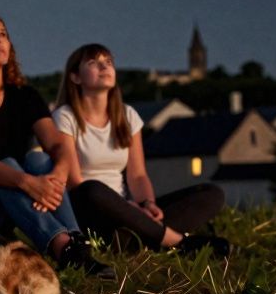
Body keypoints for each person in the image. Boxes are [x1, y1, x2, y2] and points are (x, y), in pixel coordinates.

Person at [0, 14, 113, 278]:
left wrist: (57, 176)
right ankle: (62, 246)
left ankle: (76, 244)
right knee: (6, 166)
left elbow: (57, 145)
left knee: (40, 161)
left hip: (13, 205)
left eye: (3, 34)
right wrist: (27, 183)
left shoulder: (25, 96)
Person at [54, 44, 229, 256]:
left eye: (108, 62)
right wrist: (128, 209)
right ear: (75, 77)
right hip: (90, 210)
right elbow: (74, 182)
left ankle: (137, 239)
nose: (104, 67)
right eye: (94, 63)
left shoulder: (127, 116)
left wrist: (147, 204)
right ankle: (178, 241)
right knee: (92, 188)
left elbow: (137, 175)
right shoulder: (65, 117)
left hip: (129, 211)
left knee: (212, 194)